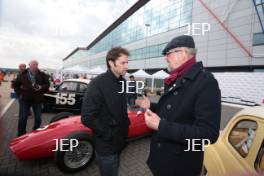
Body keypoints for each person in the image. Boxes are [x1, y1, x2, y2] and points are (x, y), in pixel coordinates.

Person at [136, 35, 221, 176]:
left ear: (182, 53)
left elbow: (208, 134)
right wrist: (150, 105)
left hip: (179, 166)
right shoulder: (178, 77)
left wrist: (160, 125)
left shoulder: (205, 82)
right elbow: (175, 111)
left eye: (168, 54)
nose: (166, 58)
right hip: (164, 160)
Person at [81, 47, 130, 176]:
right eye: (123, 63)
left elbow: (120, 109)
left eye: (127, 62)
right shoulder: (97, 84)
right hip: (106, 145)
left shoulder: (123, 82)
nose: (126, 66)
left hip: (120, 141)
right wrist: (108, 134)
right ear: (111, 63)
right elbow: (87, 117)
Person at [13, 60, 50, 136]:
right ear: (29, 65)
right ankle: (21, 134)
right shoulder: (22, 75)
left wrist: (41, 87)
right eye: (33, 64)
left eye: (36, 64)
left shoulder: (42, 74)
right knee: (23, 118)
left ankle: (34, 134)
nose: (35, 66)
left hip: (37, 100)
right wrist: (19, 94)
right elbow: (15, 85)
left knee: (38, 118)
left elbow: (47, 84)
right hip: (25, 99)